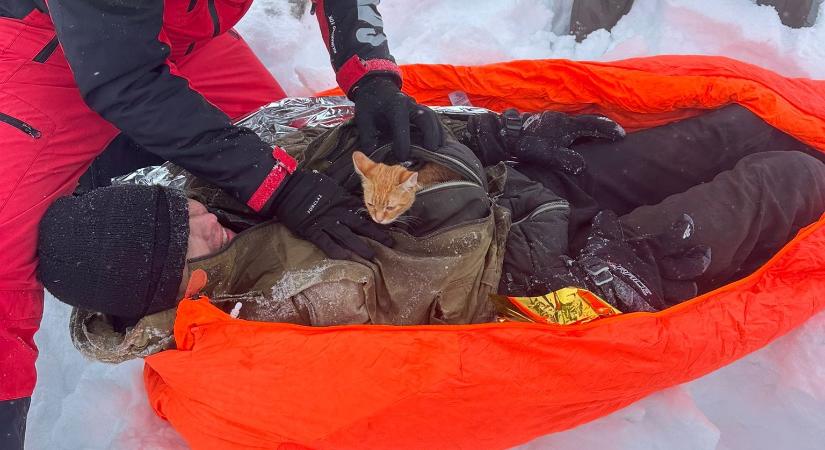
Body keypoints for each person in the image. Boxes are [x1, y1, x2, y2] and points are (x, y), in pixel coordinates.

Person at [35, 104, 825, 363]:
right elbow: (435, 287)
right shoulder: (269, 309)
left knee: (732, 131)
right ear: (166, 278)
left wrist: (500, 135)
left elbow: (351, 131)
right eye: (189, 234)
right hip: (547, 277)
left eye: (188, 210)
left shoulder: (218, 199)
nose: (204, 217)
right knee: (779, 186)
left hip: (518, 194)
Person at [0, 1, 442, 447]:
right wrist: (279, 188)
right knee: (3, 257)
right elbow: (124, 77)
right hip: (45, 46)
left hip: (181, 36)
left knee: (300, 148)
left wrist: (371, 78)